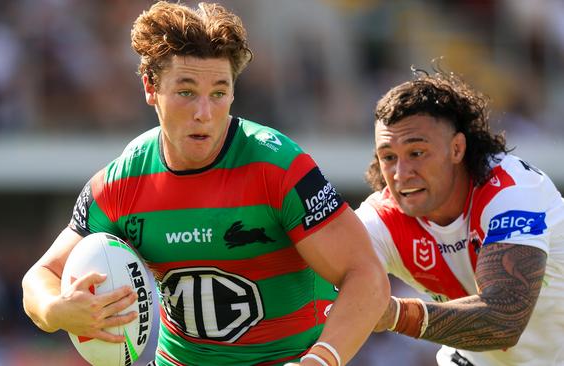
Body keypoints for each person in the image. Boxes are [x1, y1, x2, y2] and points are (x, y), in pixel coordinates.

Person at [21, 2, 389, 365]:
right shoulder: (124, 180)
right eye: (186, 92)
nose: (204, 113)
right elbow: (42, 275)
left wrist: (319, 361)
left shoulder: (277, 166)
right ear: (151, 87)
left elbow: (368, 276)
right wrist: (56, 310)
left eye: (218, 93)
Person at [355, 64, 564, 366]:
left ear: (456, 148)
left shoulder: (511, 191)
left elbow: (505, 319)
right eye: (388, 157)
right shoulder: (381, 218)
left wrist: (396, 315)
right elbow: (329, 280)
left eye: (416, 153)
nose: (401, 174)